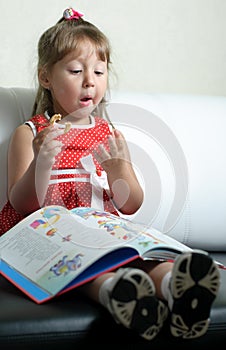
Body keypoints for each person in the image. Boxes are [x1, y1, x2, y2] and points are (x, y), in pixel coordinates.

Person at [0, 7, 220, 341]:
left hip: (100, 232)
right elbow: (22, 204)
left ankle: (178, 288)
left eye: (99, 72)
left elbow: (130, 203)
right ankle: (116, 293)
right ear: (46, 77)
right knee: (78, 263)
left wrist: (119, 170)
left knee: (132, 253)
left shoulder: (109, 134)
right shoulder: (30, 133)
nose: (90, 80)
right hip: (48, 236)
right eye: (75, 70)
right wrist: (41, 162)